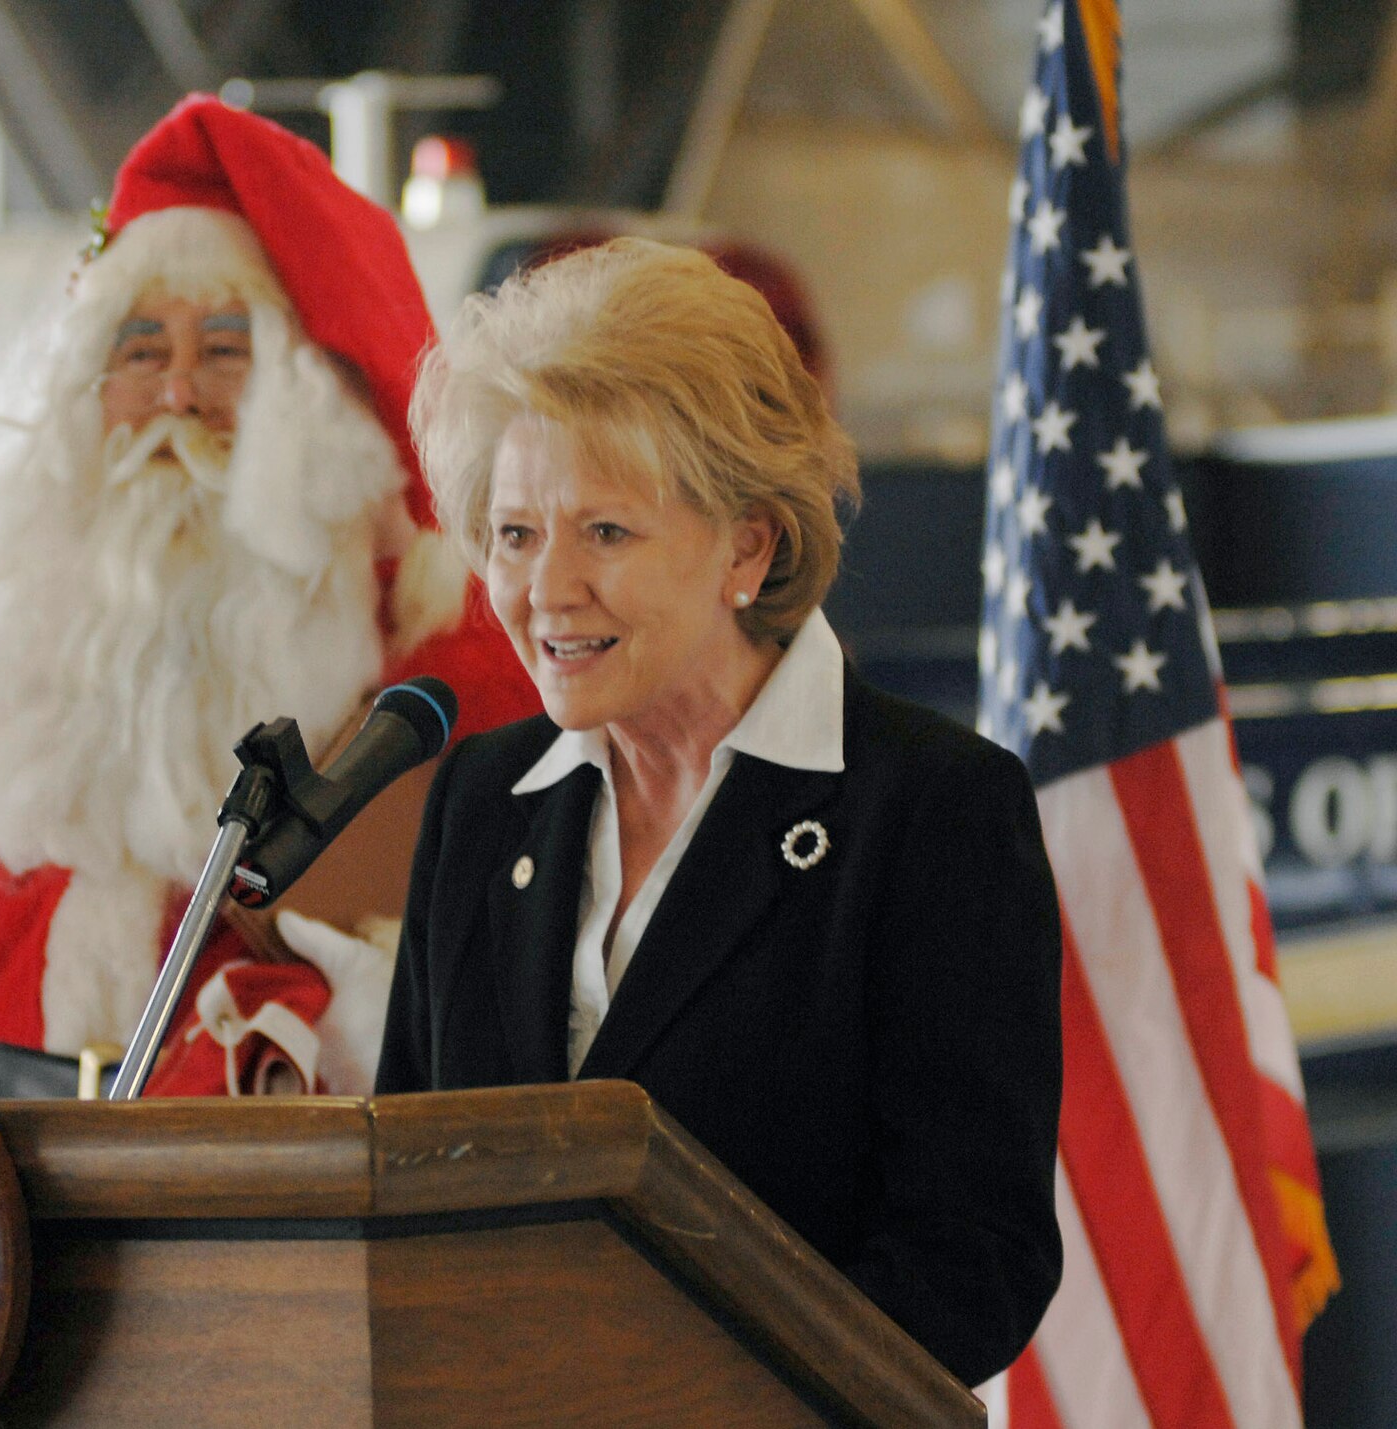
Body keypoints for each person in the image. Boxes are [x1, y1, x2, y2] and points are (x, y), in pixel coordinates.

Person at [376, 238, 1063, 1385]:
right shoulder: (482, 800)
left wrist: (683, 1401)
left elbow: (971, 1258)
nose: (545, 589)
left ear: (747, 542)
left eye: (605, 530)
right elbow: (401, 1187)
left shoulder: (932, 811)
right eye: (513, 533)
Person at [0, 96, 539, 1096]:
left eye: (223, 353)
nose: (177, 396)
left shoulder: (456, 691)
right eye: (139, 353)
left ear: (320, 415)